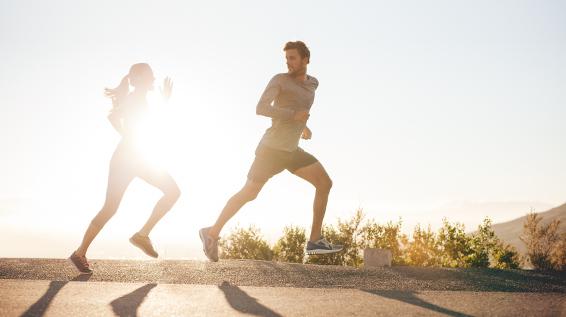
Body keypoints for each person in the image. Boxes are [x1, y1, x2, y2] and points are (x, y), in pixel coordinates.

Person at [199, 41, 342, 262]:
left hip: (292, 150)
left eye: (293, 58)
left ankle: (314, 240)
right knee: (249, 193)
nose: (289, 63)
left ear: (306, 59)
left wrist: (302, 127)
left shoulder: (313, 83)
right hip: (271, 149)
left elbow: (301, 108)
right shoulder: (279, 80)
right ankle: (211, 232)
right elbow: (261, 108)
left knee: (325, 183)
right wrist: (293, 115)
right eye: (287, 59)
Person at [70, 63, 181, 273]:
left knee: (111, 207)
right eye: (151, 76)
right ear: (140, 78)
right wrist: (128, 135)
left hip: (132, 157)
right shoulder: (135, 98)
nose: (155, 79)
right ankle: (141, 235)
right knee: (172, 191)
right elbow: (113, 117)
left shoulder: (137, 98)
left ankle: (81, 253)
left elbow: (121, 118)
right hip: (130, 158)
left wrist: (128, 136)